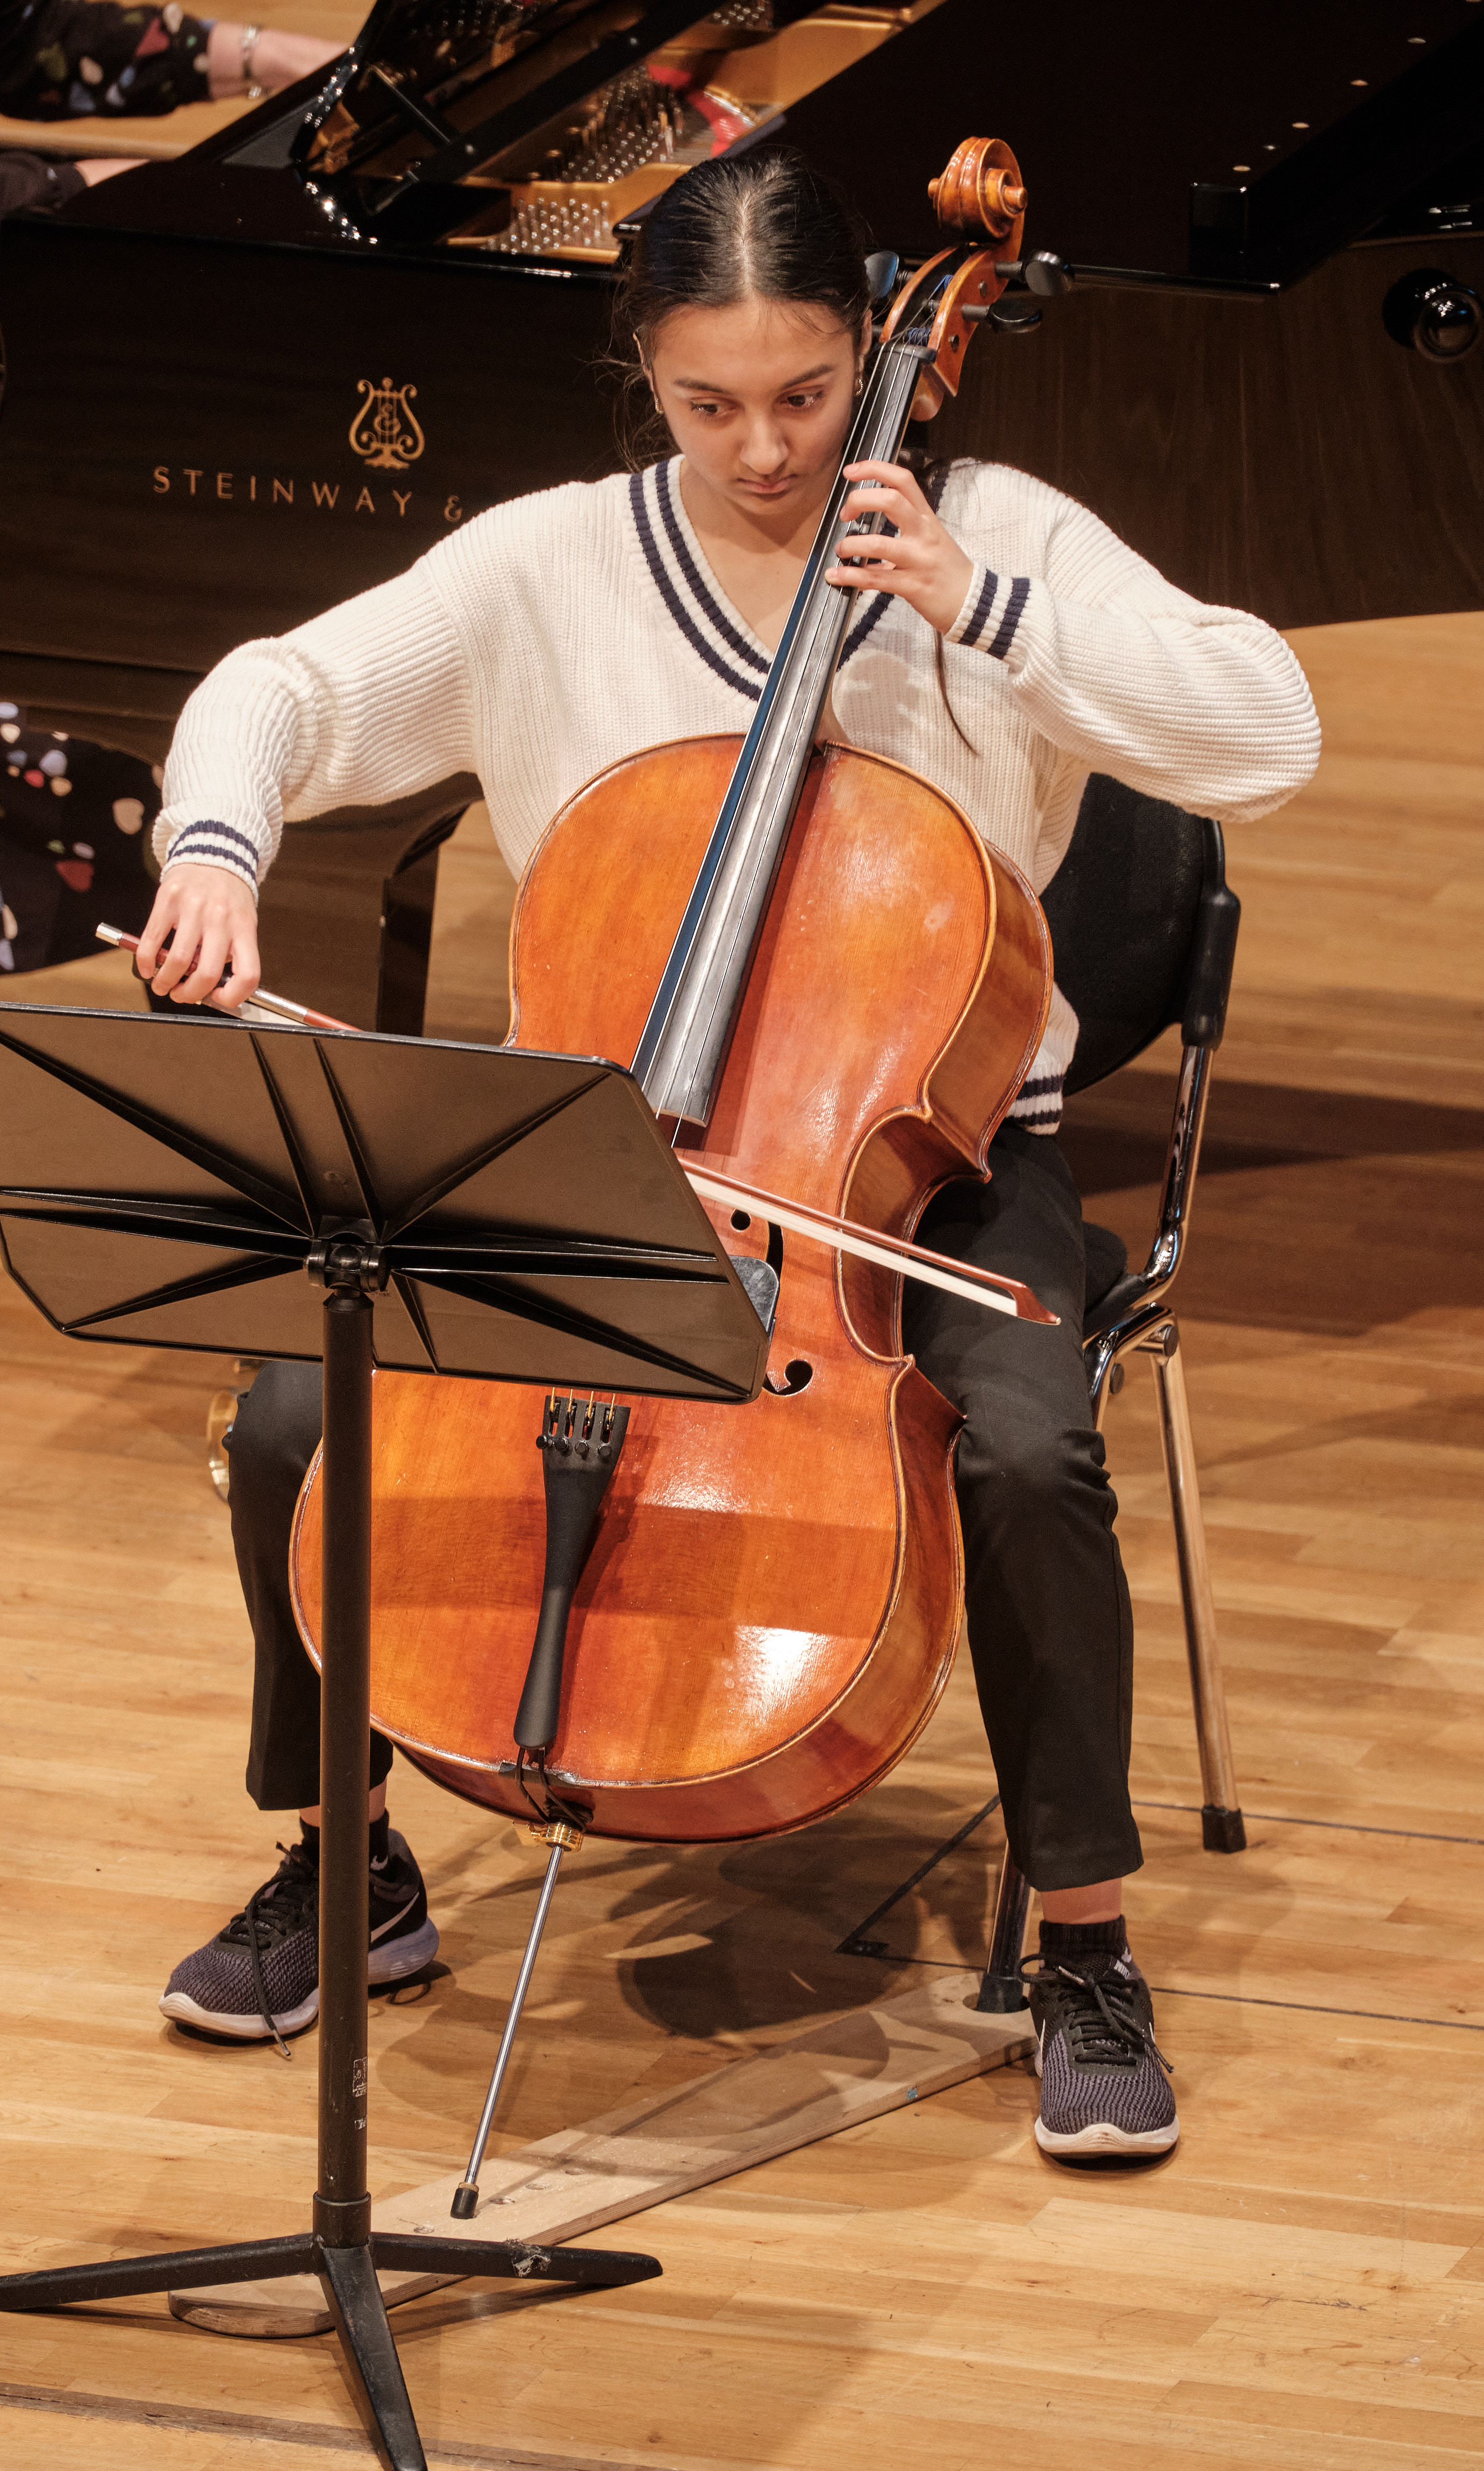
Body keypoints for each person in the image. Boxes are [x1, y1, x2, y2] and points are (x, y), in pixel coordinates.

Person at [141, 148, 1320, 2151]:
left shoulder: (996, 533)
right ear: (644, 377)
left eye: (803, 394)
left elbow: (1265, 733)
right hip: (593, 1157)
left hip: (921, 1171)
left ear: (874, 353)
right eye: (708, 403)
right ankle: (349, 1855)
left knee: (1029, 1447)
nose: (765, 451)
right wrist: (214, 845)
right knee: (290, 1414)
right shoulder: (549, 566)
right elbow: (286, 686)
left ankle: (1083, 1939)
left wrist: (987, 609)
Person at [0, 0, 341, 983]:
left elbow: (24, 40)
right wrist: (83, 187)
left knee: (98, 477)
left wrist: (265, 57)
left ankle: (199, 847)